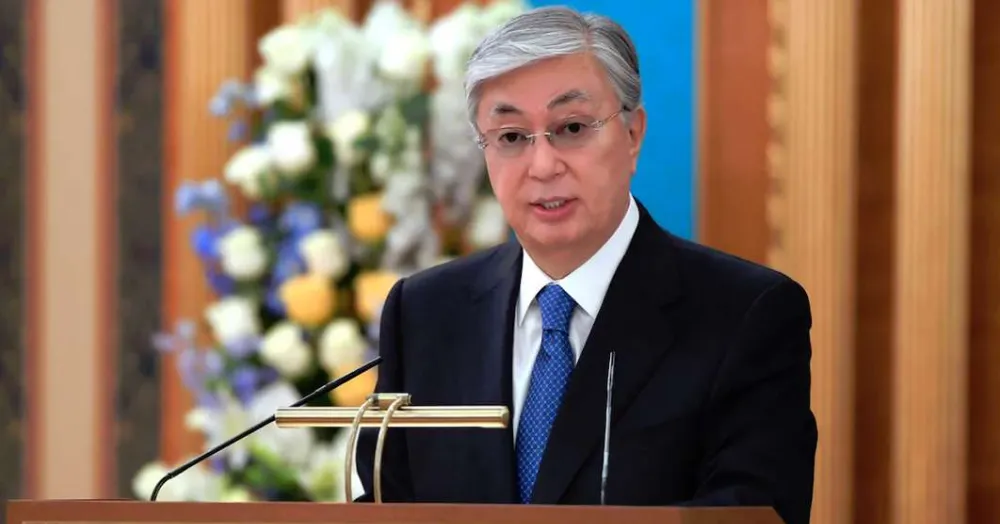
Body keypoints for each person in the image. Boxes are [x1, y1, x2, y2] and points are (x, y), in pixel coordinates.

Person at [355, 6, 817, 524]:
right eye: (511, 137)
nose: (543, 166)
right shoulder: (426, 312)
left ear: (633, 134)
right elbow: (383, 505)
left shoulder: (746, 314)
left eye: (572, 127)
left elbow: (753, 510)